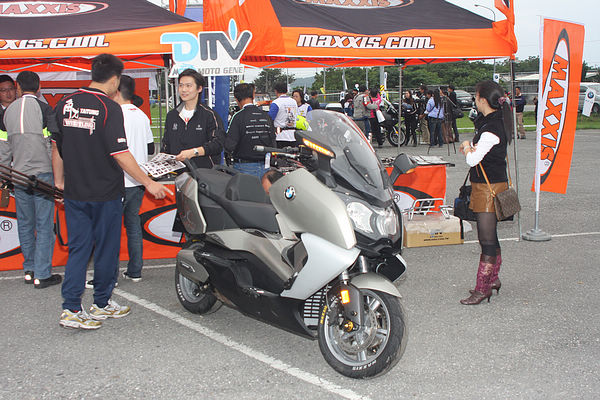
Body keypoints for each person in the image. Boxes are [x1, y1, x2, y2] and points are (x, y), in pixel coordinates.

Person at [52, 53, 171, 329]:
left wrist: (59, 181)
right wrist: (148, 182)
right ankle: (101, 303)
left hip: (75, 192)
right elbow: (121, 153)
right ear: (115, 80)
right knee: (106, 249)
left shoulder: (65, 103)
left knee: (79, 249)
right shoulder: (109, 107)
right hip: (105, 193)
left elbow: (56, 146)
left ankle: (71, 307)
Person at [0, 71, 61, 288]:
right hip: (42, 174)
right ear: (39, 87)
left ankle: (30, 269)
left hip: (18, 175)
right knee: (44, 225)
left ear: (17, 87)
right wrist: (59, 176)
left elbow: (4, 149)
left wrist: (4, 176)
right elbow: (53, 144)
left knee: (25, 224)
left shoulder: (8, 112)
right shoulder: (44, 109)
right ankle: (42, 274)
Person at [458, 80, 512, 305]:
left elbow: (473, 159)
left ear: (482, 100)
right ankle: (492, 280)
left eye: (476, 97)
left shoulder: (491, 128)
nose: (475, 101)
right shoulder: (495, 121)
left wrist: (466, 146)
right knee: (491, 237)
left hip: (488, 190)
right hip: (493, 185)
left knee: (487, 240)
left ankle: (483, 288)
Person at [113, 75, 155, 282]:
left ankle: (108, 275)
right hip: (138, 181)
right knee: (133, 227)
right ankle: (135, 270)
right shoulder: (141, 115)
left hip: (118, 181)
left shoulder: (114, 115)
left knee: (109, 231)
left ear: (116, 90)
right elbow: (150, 148)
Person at [162, 69, 225, 167]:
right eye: (181, 85)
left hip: (203, 172)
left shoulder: (209, 115)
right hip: (177, 172)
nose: (183, 90)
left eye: (188, 86)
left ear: (199, 88)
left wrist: (194, 152)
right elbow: (166, 145)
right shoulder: (172, 115)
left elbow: (218, 144)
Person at [225, 83, 275, 178]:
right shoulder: (266, 115)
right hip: (265, 166)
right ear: (253, 96)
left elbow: (230, 145)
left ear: (236, 99)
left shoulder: (238, 117)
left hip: (244, 166)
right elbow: (272, 140)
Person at [268, 82, 298, 148]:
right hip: (293, 135)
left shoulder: (276, 102)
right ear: (286, 90)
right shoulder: (294, 102)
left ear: (276, 91)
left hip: (280, 136)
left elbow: (269, 118)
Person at [0, 75, 16, 169]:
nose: (8, 93)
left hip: (21, 161)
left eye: (11, 89)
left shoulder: (23, 110)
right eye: (3, 90)